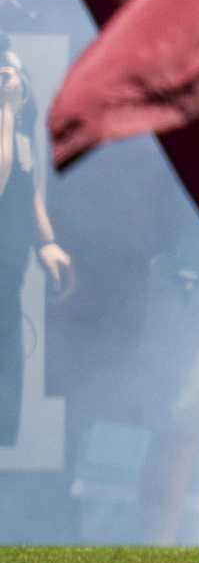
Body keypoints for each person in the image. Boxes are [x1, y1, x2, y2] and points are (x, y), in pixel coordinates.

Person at [0, 51, 74, 449]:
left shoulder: (20, 122)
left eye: (16, 78)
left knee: (4, 414)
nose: (14, 86)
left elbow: (29, 192)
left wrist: (46, 243)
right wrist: (6, 114)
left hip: (7, 280)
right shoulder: (6, 119)